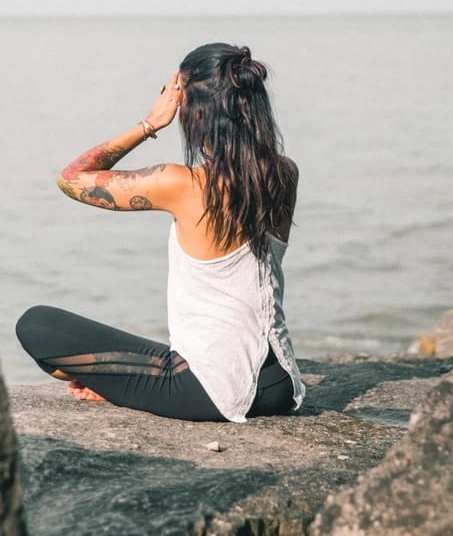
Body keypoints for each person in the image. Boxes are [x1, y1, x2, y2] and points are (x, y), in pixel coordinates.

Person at [15, 43, 305, 423]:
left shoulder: (181, 183)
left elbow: (71, 179)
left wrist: (150, 123)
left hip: (214, 391)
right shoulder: (284, 173)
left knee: (36, 325)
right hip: (282, 385)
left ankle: (123, 391)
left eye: (179, 96)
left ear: (194, 111)